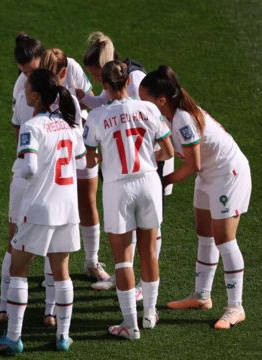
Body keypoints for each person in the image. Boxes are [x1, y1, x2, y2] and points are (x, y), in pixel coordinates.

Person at [139, 65, 251, 329]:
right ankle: (202, 296)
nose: (143, 105)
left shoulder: (182, 120)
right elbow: (167, 152)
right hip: (209, 175)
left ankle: (236, 307)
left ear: (162, 100)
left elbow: (193, 165)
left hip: (227, 175)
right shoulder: (168, 115)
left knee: (225, 239)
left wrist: (162, 181)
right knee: (204, 233)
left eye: (146, 100)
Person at [0, 69, 84, 354]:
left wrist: (20, 172)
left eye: (27, 88)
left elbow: (28, 167)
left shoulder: (32, 127)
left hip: (39, 209)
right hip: (68, 209)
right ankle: (63, 337)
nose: (25, 93)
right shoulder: (68, 126)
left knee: (19, 269)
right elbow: (78, 161)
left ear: (36, 95)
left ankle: (13, 338)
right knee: (61, 272)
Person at [83, 60, 174, 340]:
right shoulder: (148, 109)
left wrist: (104, 160)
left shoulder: (97, 116)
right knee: (148, 251)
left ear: (106, 86)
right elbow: (168, 151)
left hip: (117, 188)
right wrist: (146, 159)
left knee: (123, 259)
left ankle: (129, 325)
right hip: (148, 183)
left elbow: (90, 159)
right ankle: (149, 313)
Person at [76, 32, 170, 294]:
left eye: (96, 76)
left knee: (149, 229)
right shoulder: (118, 81)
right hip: (131, 160)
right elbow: (106, 104)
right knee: (131, 226)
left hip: (149, 158)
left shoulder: (136, 79)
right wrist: (81, 97)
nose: (95, 79)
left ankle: (142, 284)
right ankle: (126, 278)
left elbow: (144, 118)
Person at [0, 33, 60, 327]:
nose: (26, 78)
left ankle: (42, 312)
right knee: (35, 243)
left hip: (31, 176)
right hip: (49, 178)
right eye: (23, 72)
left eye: (30, 71)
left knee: (40, 245)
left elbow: (21, 130)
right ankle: (20, 309)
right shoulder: (43, 88)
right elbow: (19, 130)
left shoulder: (44, 87)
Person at [40, 47, 111, 284]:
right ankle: (52, 270)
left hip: (81, 144)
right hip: (56, 151)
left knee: (88, 201)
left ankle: (92, 262)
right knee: (56, 204)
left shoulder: (73, 68)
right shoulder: (34, 84)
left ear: (63, 71)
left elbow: (90, 101)